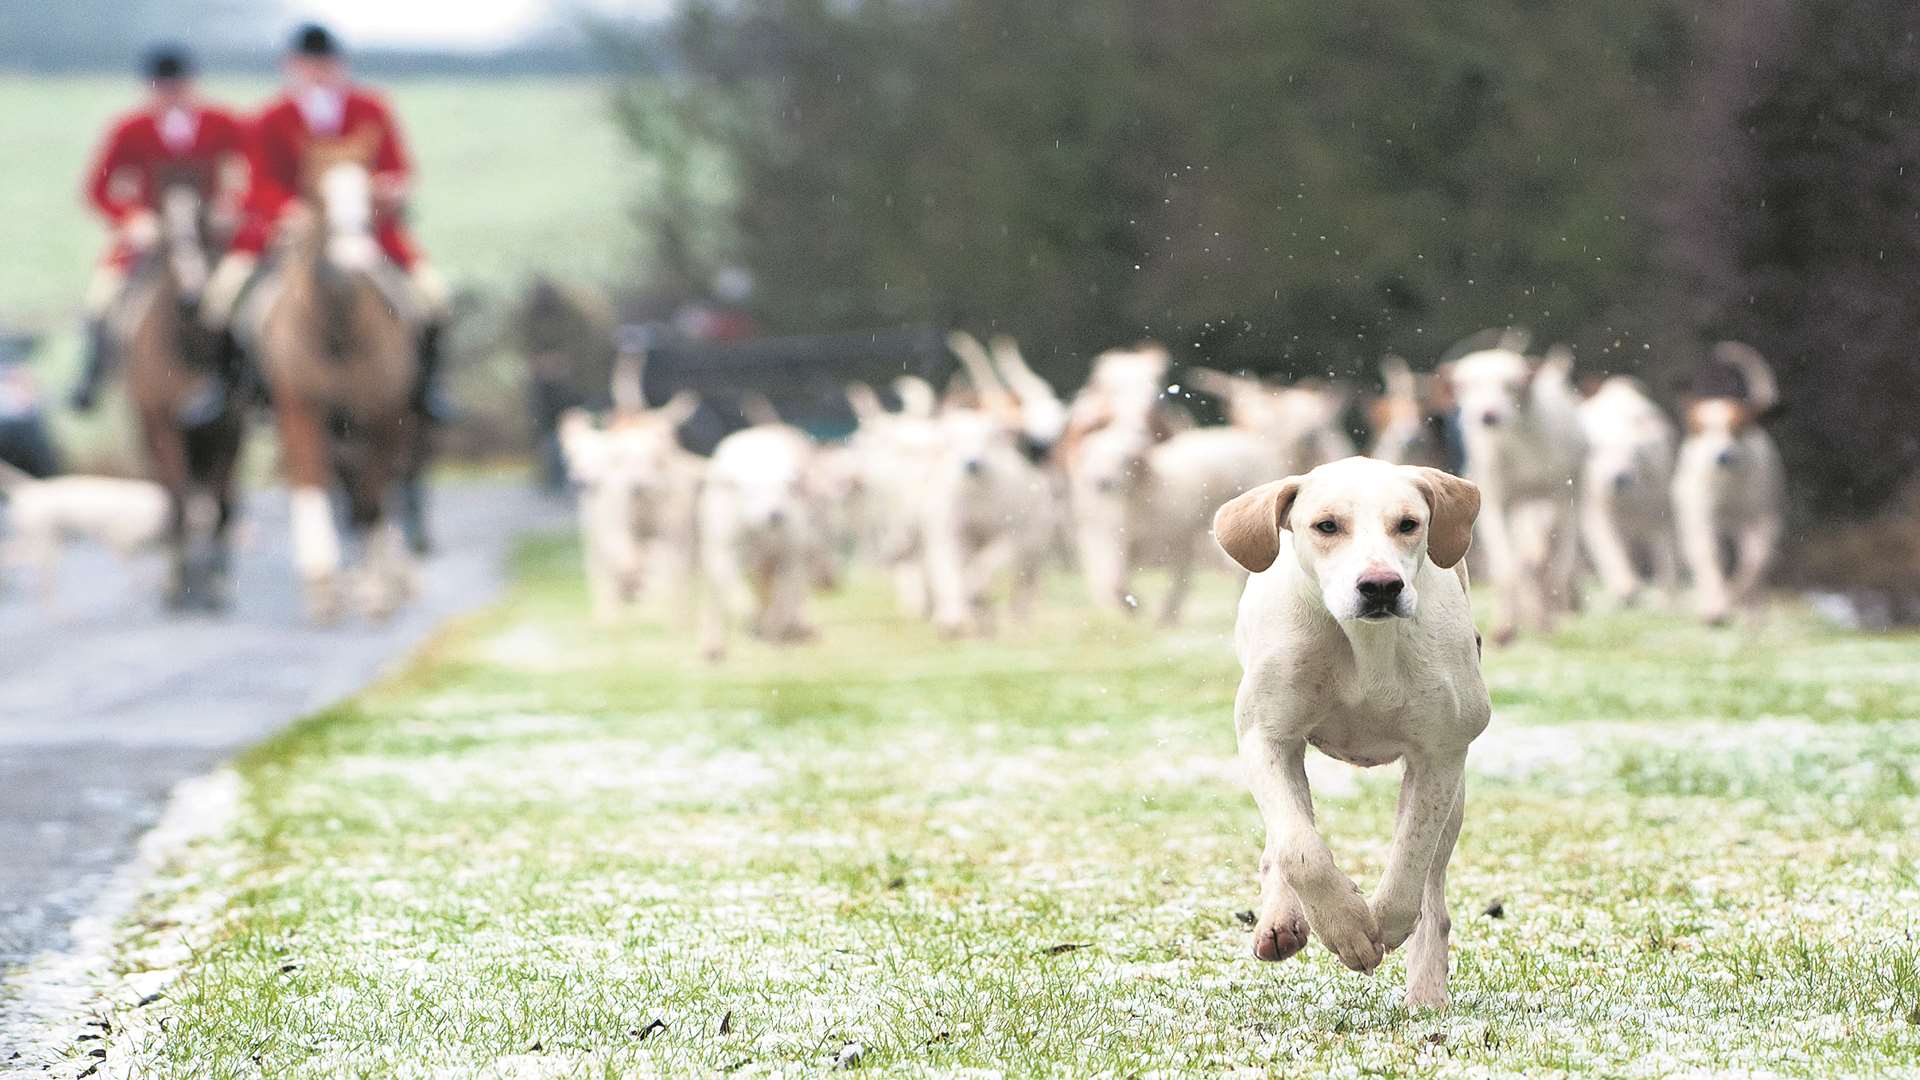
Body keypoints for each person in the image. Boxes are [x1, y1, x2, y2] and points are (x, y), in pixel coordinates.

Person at [199, 23, 452, 423]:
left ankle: (427, 388)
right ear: (292, 67)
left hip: (367, 233)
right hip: (285, 236)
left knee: (433, 296)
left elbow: (397, 167)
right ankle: (232, 388)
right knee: (222, 298)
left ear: (341, 65)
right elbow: (257, 182)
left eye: (326, 64)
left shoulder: (372, 109)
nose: (318, 72)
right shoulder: (270, 116)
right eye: (309, 65)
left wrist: (391, 187)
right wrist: (288, 211)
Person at [72, 45, 249, 412]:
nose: (170, 95)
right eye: (162, 88)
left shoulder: (222, 122)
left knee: (243, 294)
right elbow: (96, 190)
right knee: (100, 301)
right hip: (150, 241)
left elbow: (253, 168)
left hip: (210, 238)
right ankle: (91, 380)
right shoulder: (130, 128)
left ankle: (247, 380)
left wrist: (232, 205)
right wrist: (132, 218)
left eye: (177, 87)